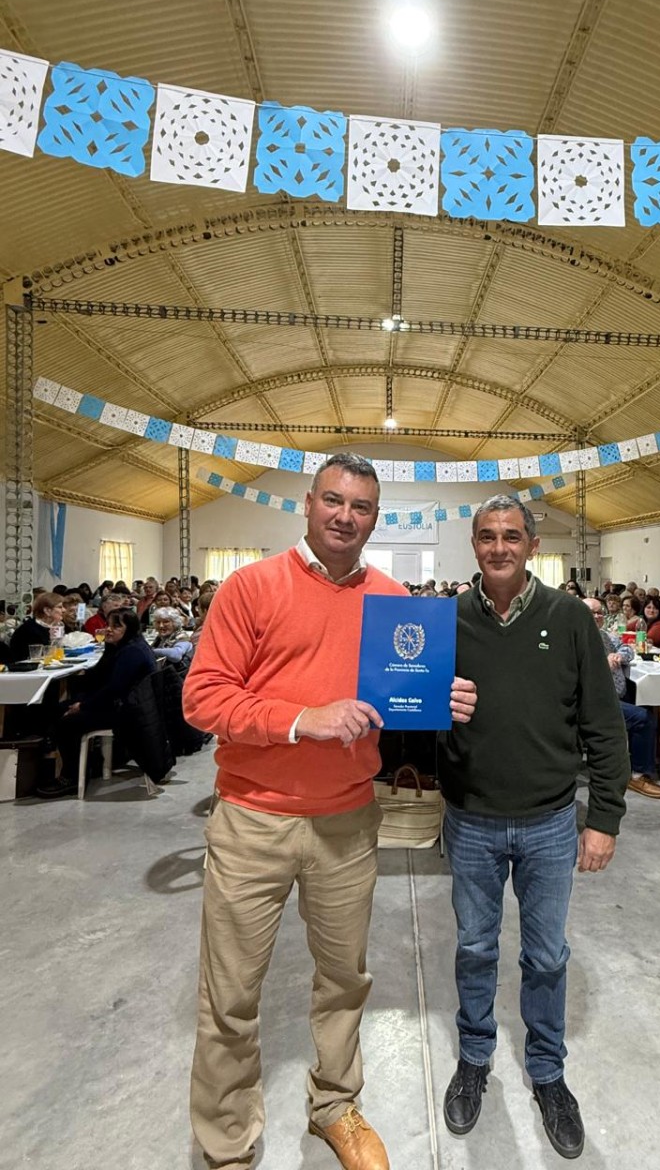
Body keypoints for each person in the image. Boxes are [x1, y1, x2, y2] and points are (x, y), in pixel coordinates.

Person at [182, 453, 476, 1170]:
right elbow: (202, 699)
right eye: (334, 501)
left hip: (349, 820)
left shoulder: (391, 596)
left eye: (362, 507)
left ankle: (335, 1106)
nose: (346, 516)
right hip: (255, 817)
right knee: (231, 993)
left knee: (345, 979)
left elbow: (403, 693)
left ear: (376, 518)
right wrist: (298, 719)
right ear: (309, 505)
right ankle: (226, 1141)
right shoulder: (252, 588)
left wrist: (446, 700)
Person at [437, 495, 629, 1160]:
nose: (499, 547)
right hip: (471, 820)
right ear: (473, 542)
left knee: (546, 956)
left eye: (511, 535)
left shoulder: (570, 617)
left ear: (532, 544)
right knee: (475, 950)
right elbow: (411, 720)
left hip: (550, 822)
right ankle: (473, 1057)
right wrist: (436, 713)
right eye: (487, 536)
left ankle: (548, 1073)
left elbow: (603, 726)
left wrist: (602, 818)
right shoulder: (447, 620)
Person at [36, 609, 158, 799]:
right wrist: (109, 648)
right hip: (119, 703)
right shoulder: (122, 647)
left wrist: (83, 706)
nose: (109, 630)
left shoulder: (133, 651)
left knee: (67, 723)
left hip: (128, 711)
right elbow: (96, 678)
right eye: (108, 625)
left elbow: (114, 689)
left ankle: (71, 776)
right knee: (55, 710)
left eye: (116, 626)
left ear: (130, 628)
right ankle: (79, 765)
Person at [584, 598, 660, 799]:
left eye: (599, 612)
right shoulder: (576, 638)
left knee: (649, 701)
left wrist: (618, 656)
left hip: (612, 694)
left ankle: (650, 762)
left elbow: (627, 648)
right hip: (592, 701)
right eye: (591, 613)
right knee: (643, 718)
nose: (596, 617)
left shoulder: (602, 635)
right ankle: (638, 775)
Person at [9, 592, 65, 662]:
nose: (64, 610)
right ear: (47, 611)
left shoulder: (54, 625)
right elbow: (41, 656)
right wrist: (52, 639)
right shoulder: (30, 629)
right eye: (60, 607)